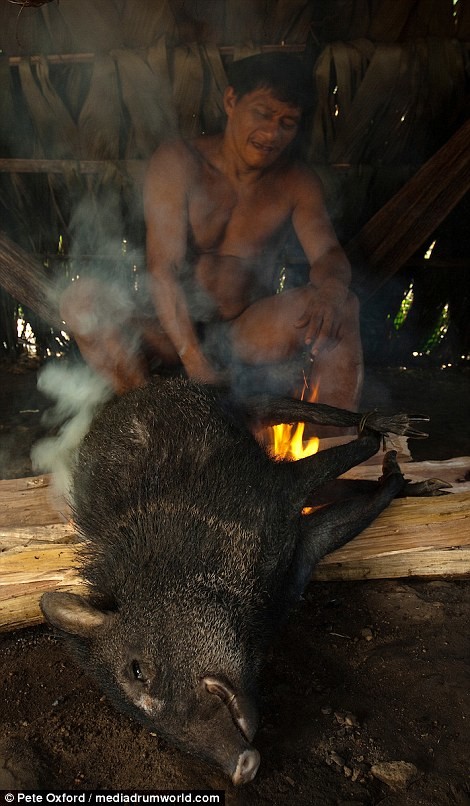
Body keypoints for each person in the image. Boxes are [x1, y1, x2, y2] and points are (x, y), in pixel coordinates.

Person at [60, 52, 363, 411]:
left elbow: (327, 254)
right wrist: (196, 363)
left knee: (342, 304)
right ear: (232, 101)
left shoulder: (297, 182)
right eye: (263, 114)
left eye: (287, 122)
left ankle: (332, 444)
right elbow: (163, 268)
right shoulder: (179, 163)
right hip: (167, 332)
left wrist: (329, 291)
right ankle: (150, 418)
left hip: (245, 330)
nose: (271, 133)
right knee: (82, 302)